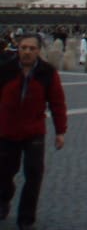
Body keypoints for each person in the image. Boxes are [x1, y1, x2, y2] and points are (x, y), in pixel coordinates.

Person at [0, 34, 67, 230]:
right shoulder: (5, 70)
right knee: (4, 173)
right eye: (24, 47)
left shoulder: (47, 73)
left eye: (31, 48)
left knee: (34, 174)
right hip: (6, 131)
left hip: (34, 132)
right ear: (18, 48)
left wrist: (60, 131)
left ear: (39, 51)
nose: (27, 51)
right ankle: (3, 198)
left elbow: (57, 103)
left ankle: (26, 219)